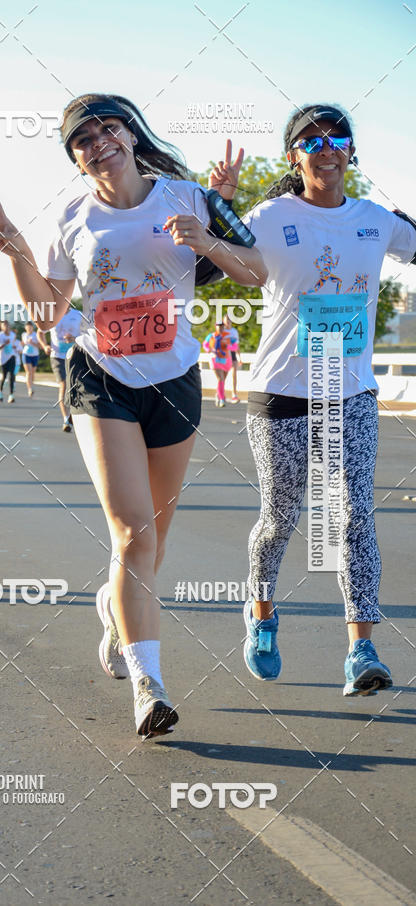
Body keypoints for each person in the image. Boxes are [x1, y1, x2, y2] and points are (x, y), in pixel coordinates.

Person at [0, 93, 266, 737]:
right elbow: (47, 313)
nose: (98, 141)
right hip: (100, 378)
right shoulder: (70, 216)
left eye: (109, 128)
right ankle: (148, 686)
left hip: (174, 380)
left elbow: (256, 273)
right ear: (76, 159)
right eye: (82, 139)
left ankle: (114, 606)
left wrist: (210, 239)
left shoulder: (189, 197)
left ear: (133, 135)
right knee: (133, 532)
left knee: (152, 538)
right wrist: (19, 248)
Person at [238, 104, 416, 696]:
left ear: (350, 152)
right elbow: (216, 263)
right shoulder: (270, 215)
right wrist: (217, 207)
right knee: (282, 518)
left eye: (337, 137)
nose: (326, 146)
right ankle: (261, 613)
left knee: (354, 515)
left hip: (352, 394)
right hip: (282, 391)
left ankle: (361, 650)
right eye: (310, 140)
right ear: (295, 156)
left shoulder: (376, 221)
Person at [39, 307, 83, 431]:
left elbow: (87, 334)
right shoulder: (51, 315)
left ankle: (74, 416)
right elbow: (40, 332)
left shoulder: (79, 315)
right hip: (57, 356)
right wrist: (45, 346)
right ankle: (66, 419)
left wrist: (74, 339)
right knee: (63, 385)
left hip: (75, 355)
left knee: (76, 386)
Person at [202, 321, 232, 408]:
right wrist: (209, 350)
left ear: (224, 327)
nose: (220, 328)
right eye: (218, 326)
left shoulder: (228, 335)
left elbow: (234, 346)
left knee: (222, 380)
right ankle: (222, 399)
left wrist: (228, 347)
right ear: (216, 327)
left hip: (226, 359)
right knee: (220, 379)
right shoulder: (211, 336)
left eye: (222, 326)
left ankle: (218, 394)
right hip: (215, 358)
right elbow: (205, 344)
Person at [0, 319, 22, 403]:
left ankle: (11, 395)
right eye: (4, 325)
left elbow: (13, 344)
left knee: (12, 375)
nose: (6, 327)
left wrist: (13, 347)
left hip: (12, 356)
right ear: (1, 327)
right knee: (4, 376)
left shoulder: (12, 335)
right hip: (3, 359)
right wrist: (4, 344)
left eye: (7, 325)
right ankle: (0, 391)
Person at [223, 313, 241, 403]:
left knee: (234, 375)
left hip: (233, 355)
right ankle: (220, 393)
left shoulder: (234, 331)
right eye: (226, 321)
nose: (228, 323)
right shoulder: (221, 331)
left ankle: (234, 395)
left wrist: (239, 358)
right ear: (223, 322)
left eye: (229, 321)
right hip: (225, 355)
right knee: (224, 376)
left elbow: (237, 345)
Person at [21, 321, 40, 397]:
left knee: (32, 373)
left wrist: (32, 343)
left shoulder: (36, 335)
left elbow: (40, 346)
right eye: (27, 327)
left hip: (35, 355)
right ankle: (30, 389)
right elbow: (22, 343)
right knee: (28, 372)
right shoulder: (24, 335)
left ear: (33, 327)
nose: (29, 328)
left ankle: (31, 385)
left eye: (30, 327)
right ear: (25, 328)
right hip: (26, 354)